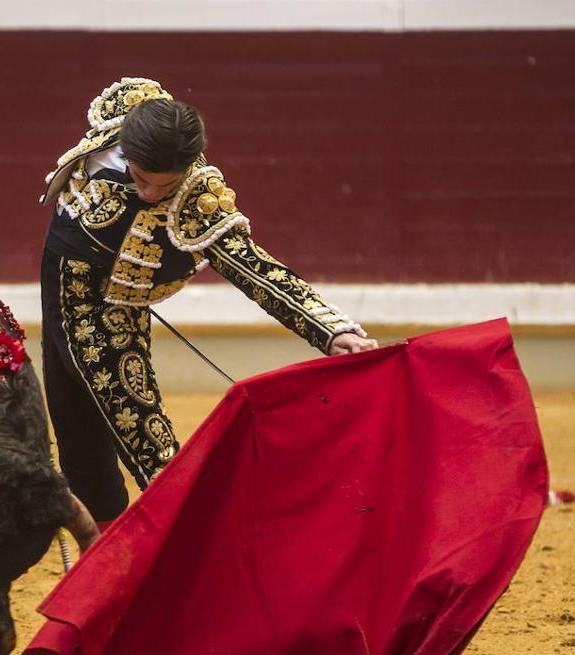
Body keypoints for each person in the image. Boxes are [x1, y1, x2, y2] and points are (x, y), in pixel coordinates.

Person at [39, 77, 378, 526]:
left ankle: (204, 560)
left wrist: (333, 330)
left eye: (166, 185)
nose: (151, 195)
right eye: (142, 180)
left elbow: (254, 267)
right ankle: (100, 573)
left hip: (110, 318)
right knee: (79, 447)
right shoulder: (129, 115)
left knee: (153, 455)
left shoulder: (198, 198)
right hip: (57, 297)